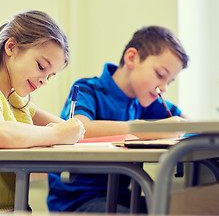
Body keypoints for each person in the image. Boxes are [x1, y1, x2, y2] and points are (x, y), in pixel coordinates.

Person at [0, 10, 85, 210]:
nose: (43, 81)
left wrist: (70, 129)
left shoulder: (16, 101)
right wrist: (56, 133)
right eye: (40, 66)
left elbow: (66, 128)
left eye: (50, 76)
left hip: (14, 209)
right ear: (11, 47)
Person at [47, 25, 189, 213]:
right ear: (132, 58)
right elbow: (80, 129)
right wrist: (143, 129)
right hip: (77, 202)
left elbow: (188, 123)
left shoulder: (143, 102)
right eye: (160, 75)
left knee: (179, 210)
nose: (163, 87)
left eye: (169, 82)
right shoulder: (87, 89)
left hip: (118, 195)